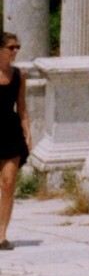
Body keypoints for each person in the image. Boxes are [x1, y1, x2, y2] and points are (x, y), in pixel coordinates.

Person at [0, 31, 28, 250]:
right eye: (11, 47)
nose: (15, 51)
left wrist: (27, 133)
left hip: (10, 131)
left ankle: (1, 235)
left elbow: (22, 107)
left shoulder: (19, 75)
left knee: (8, 184)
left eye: (17, 47)